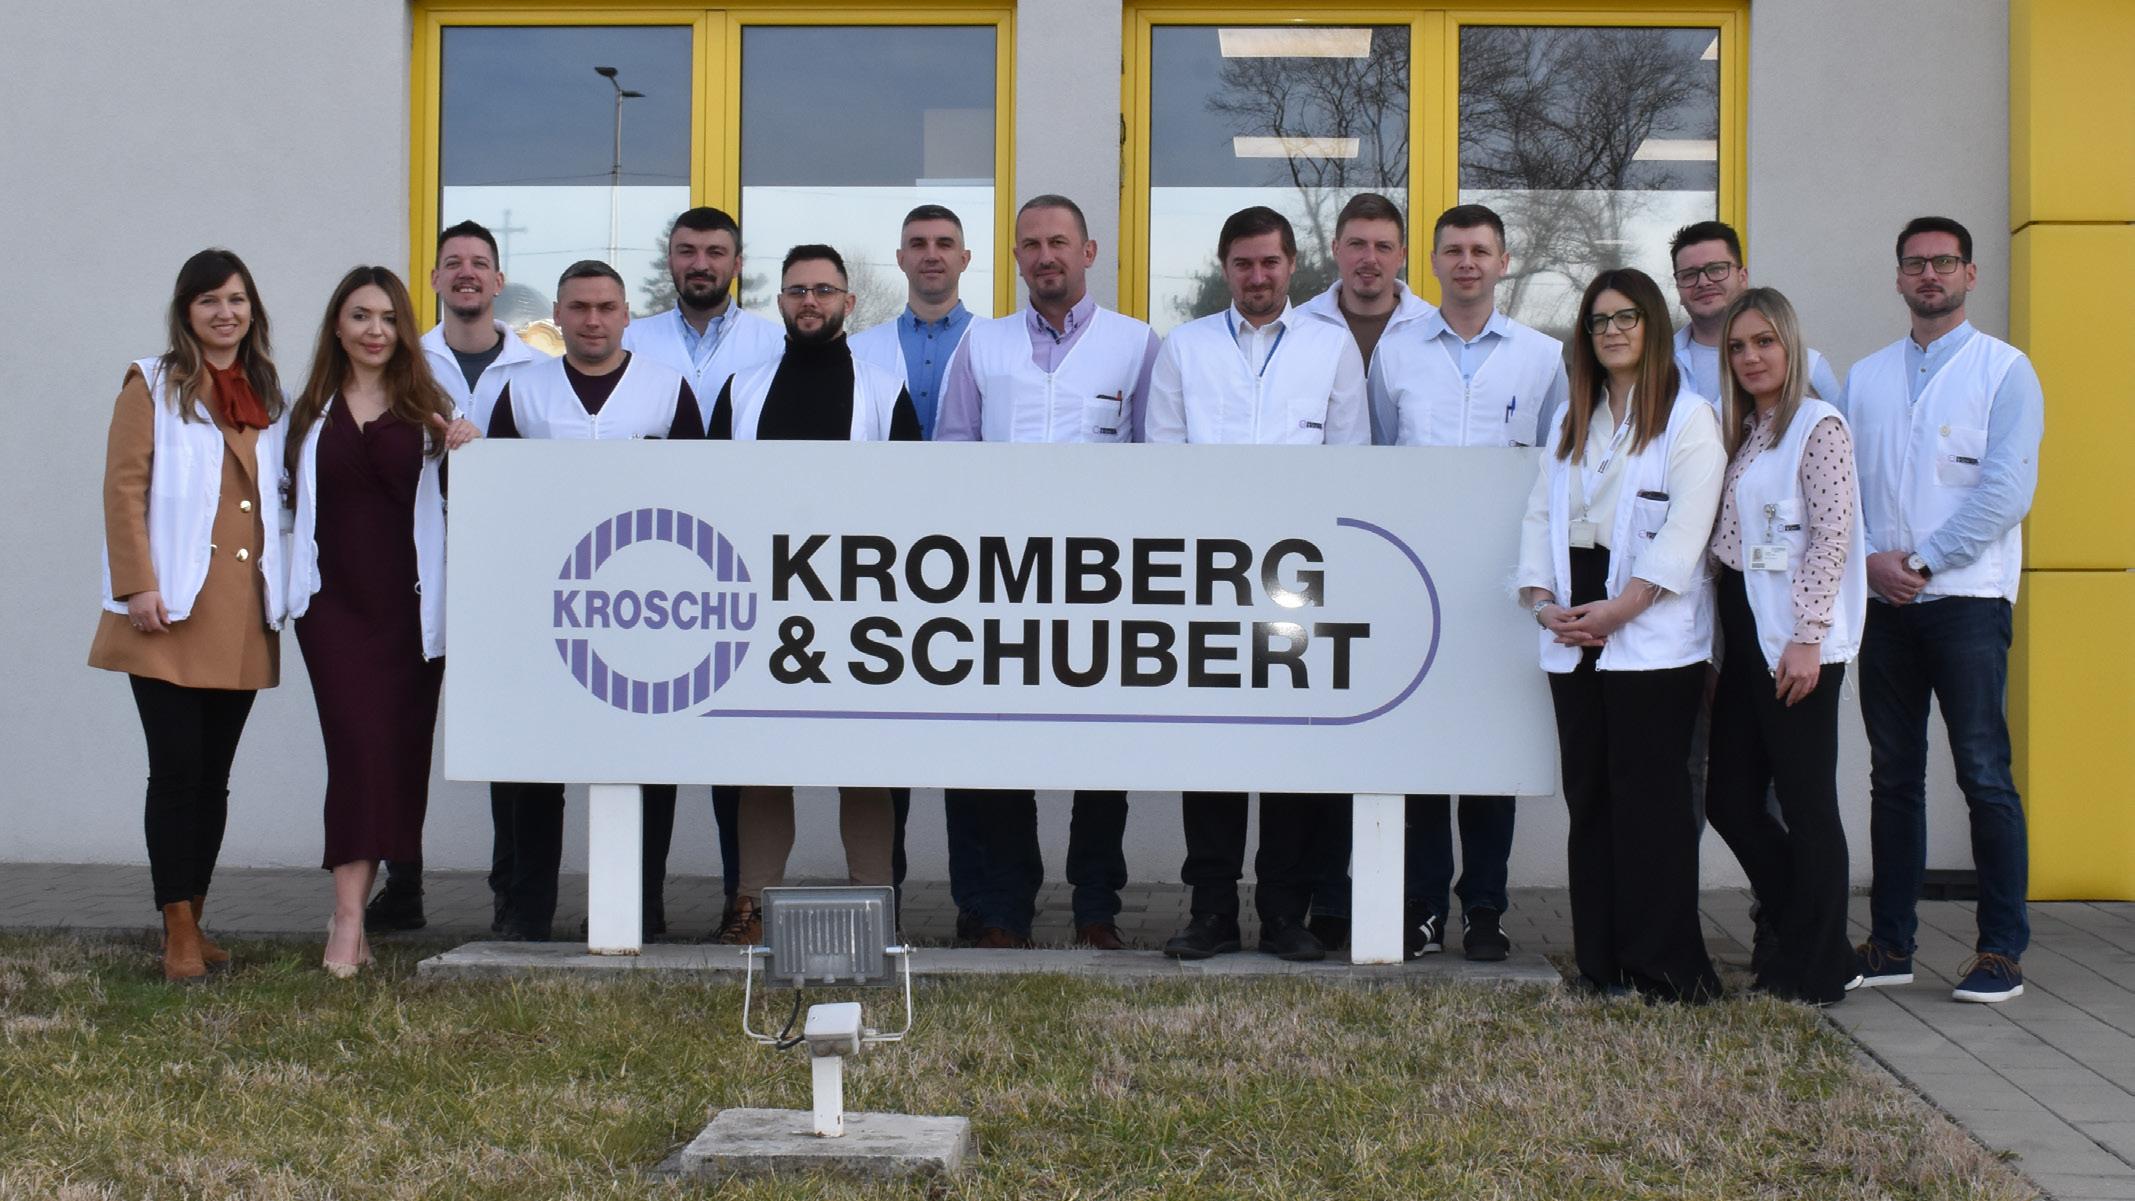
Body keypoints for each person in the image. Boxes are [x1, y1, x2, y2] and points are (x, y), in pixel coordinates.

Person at [933, 194, 1158, 950]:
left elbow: (1158, 461)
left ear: (1088, 252)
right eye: (1030, 244)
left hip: (1103, 582)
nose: (1045, 255)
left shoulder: (1135, 344)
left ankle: (1096, 907)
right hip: (1001, 581)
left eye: (1059, 242)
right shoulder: (983, 344)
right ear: (1017, 257)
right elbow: (953, 455)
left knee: (1100, 752)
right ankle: (1003, 909)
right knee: (1000, 747)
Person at [1148, 205, 1368, 963]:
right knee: (1211, 752)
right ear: (1224, 267)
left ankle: (1282, 913)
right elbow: (1163, 461)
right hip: (1206, 581)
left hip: (1299, 584)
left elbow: (1350, 463)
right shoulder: (1185, 347)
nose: (1257, 276)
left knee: (1289, 752)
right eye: (1242, 263)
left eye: (1269, 262)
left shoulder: (1331, 347)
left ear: (1292, 263)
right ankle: (1210, 910)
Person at [1845, 217, 2044, 1004]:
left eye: (1944, 262)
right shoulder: (1864, 377)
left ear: (1969, 273)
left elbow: (2005, 491)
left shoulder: (2004, 370)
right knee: (1892, 776)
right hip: (1882, 606)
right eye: (1915, 263)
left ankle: (2000, 950)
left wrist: (1922, 560)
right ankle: (1890, 944)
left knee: (1983, 773)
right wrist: (1870, 561)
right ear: (1897, 277)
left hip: (1965, 601)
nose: (1929, 275)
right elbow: (1842, 486)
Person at [1514, 267, 1725, 1002]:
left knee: (1652, 804)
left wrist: (1621, 609)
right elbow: (1539, 513)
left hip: (1647, 628)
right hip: (1574, 621)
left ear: (1652, 326)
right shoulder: (1572, 419)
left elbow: (1685, 532)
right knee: (1591, 797)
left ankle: (1664, 970)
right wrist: (1542, 601)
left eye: (1626, 317)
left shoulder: (1689, 418)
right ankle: (1600, 965)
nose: (1611, 330)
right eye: (1598, 320)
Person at [1366, 202, 1570, 962]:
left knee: (1489, 753)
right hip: (1414, 581)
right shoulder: (1395, 353)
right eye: (1453, 250)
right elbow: (1377, 458)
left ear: (1503, 262)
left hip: (1501, 586)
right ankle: (1421, 907)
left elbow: (1555, 468)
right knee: (1424, 750)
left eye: (1481, 251)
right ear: (1433, 262)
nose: (1466, 263)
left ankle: (1485, 907)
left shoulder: (1542, 357)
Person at [486, 259, 705, 941]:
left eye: (606, 307)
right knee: (531, 763)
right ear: (557, 314)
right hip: (542, 606)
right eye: (578, 307)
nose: (592, 320)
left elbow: (702, 497)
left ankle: (640, 903)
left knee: (642, 762)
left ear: (627, 315)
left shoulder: (666, 390)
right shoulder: (524, 392)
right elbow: (495, 500)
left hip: (645, 609)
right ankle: (525, 911)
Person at [707, 244, 920, 944]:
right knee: (764, 757)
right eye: (797, 290)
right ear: (779, 302)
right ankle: (748, 906)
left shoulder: (883, 390)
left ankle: (874, 907)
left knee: (865, 760)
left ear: (848, 303)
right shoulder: (741, 389)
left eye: (824, 290)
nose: (810, 301)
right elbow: (709, 495)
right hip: (763, 601)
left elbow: (915, 501)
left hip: (863, 603)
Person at [91, 248, 289, 982]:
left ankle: (197, 919)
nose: (225, 313)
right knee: (175, 772)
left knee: (213, 779)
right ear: (186, 311)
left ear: (252, 309)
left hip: (242, 614)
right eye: (209, 301)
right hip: (169, 609)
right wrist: (136, 584)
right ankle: (175, 927)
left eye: (236, 299)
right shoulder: (149, 382)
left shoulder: (268, 392)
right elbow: (124, 489)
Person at [285, 266, 480, 976]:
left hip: (409, 610)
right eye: (360, 316)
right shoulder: (304, 413)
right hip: (332, 609)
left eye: (389, 318)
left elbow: (469, 502)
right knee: (356, 750)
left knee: (396, 757)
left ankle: (356, 916)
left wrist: (467, 447)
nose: (375, 330)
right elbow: (281, 505)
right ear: (337, 327)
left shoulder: (432, 409)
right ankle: (346, 919)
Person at [363, 220, 549, 936]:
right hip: (414, 567)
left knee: (509, 734)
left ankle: (513, 899)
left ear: (498, 281)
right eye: (453, 263)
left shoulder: (537, 368)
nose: (466, 272)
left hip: (507, 574)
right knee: (402, 728)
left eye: (480, 263)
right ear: (435, 280)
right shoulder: (403, 363)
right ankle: (402, 881)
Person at [1703, 287, 1866, 1005]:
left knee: (1806, 804)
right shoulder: (1749, 431)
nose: (1751, 357)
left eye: (1764, 341)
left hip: (1795, 641)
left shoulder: (1817, 426)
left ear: (1790, 344)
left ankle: (1820, 969)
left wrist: (1807, 636)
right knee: (1729, 799)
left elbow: (1830, 538)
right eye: (1738, 346)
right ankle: (1811, 934)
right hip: (1745, 630)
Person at [622, 205, 777, 923]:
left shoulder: (770, 340)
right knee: (648, 743)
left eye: (715, 251)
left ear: (737, 264)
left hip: (741, 563)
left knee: (731, 750)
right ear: (671, 260)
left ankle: (737, 902)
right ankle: (640, 904)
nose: (700, 264)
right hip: (650, 563)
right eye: (687, 250)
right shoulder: (633, 338)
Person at [1289, 191, 1436, 948]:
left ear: (1401, 254)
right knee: (1325, 738)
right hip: (1314, 562)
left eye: (1382, 245)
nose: (1368, 259)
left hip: (1411, 567)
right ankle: (1328, 899)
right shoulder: (1301, 327)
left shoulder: (1430, 332)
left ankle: (1410, 904)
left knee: (1399, 736)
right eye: (1355, 243)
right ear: (1335, 250)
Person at [1669, 221, 1844, 408]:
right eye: (1689, 275)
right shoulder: (1661, 362)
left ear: (1743, 277)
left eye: (1717, 269)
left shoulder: (1807, 365)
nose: (1703, 282)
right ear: (1678, 288)